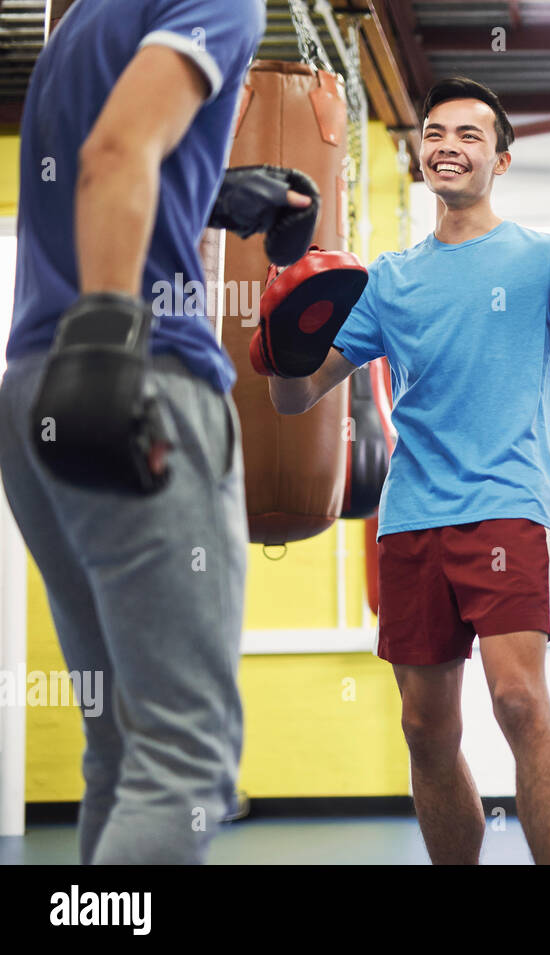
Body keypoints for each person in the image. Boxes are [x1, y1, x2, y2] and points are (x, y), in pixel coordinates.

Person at [268, 76, 550, 865]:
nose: (447, 145)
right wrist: (280, 331)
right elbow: (297, 396)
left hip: (505, 504)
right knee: (426, 728)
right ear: (422, 154)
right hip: (411, 513)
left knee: (518, 700)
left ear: (502, 159)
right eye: (435, 133)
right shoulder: (387, 279)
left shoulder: (545, 259)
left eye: (469, 135)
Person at [0, 0, 311, 863]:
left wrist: (212, 197)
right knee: (185, 765)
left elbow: (89, 157)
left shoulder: (80, 23)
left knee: (124, 752)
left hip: (31, 387)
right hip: (138, 372)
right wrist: (108, 333)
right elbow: (114, 153)